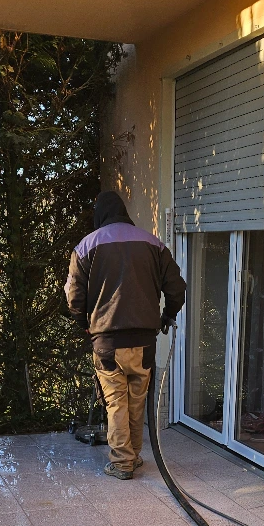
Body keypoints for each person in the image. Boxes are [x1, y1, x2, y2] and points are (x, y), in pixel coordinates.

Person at [65, 191, 186, 479]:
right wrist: (168, 315)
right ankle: (133, 456)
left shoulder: (86, 247)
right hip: (144, 341)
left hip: (106, 342)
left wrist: (85, 322)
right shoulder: (152, 243)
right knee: (135, 399)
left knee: (115, 401)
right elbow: (177, 288)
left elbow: (73, 298)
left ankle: (122, 463)